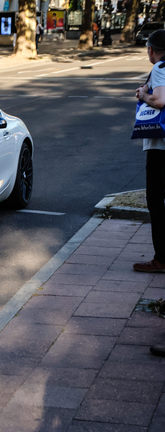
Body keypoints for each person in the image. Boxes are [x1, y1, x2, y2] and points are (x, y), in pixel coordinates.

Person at [134, 30, 165, 358]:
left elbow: (160, 100)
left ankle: (160, 258)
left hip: (160, 147)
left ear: (152, 50)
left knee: (157, 202)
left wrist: (143, 94)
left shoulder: (160, 67)